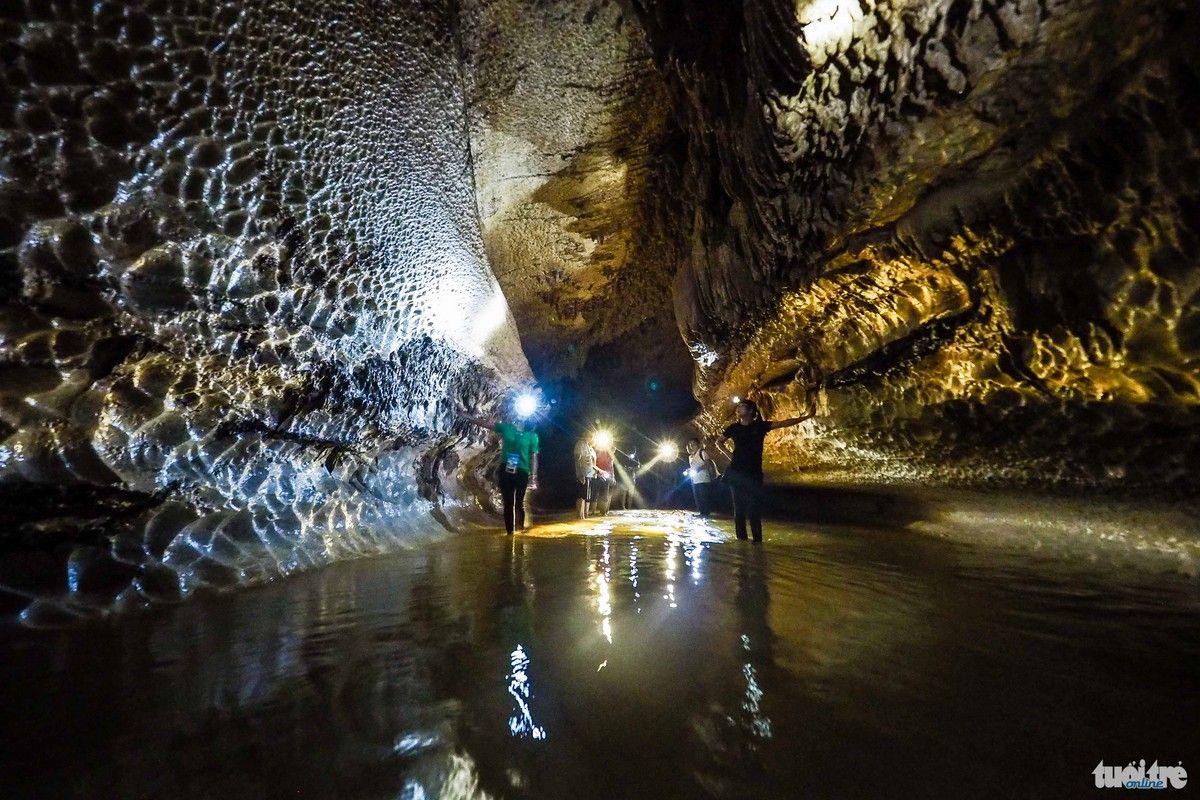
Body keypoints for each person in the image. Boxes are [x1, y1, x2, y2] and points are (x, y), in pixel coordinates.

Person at [716, 399, 813, 542]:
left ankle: (757, 542)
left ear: (750, 411)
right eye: (738, 407)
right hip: (736, 473)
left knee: (754, 508)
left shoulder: (759, 426)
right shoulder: (733, 428)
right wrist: (731, 456)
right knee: (739, 510)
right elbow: (719, 442)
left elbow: (783, 423)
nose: (738, 409)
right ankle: (742, 543)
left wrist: (806, 417)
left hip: (754, 473)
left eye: (742, 407)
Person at [465, 410, 539, 535]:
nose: (520, 418)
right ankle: (510, 532)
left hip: (522, 471)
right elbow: (486, 424)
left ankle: (520, 529)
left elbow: (534, 457)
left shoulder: (532, 436)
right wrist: (467, 417)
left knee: (519, 503)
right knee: (508, 502)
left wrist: (533, 476)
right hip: (507, 469)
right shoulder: (507, 428)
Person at [685, 438, 719, 517]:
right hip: (695, 480)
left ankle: (705, 513)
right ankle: (701, 513)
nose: (692, 446)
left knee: (704, 497)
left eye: (693, 444)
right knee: (698, 497)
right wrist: (689, 470)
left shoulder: (702, 452)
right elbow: (693, 467)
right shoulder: (691, 457)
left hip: (703, 479)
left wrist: (697, 470)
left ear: (698, 444)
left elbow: (707, 464)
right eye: (690, 445)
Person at [574, 436, 600, 519]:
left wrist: (597, 473)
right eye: (593, 438)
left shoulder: (589, 447)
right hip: (583, 473)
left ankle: (584, 515)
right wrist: (580, 474)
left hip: (589, 474)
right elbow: (577, 460)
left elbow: (592, 464)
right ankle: (579, 516)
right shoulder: (580, 444)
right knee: (581, 495)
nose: (594, 441)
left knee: (586, 496)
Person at [594, 436, 616, 514]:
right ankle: (600, 510)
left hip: (608, 475)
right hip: (600, 474)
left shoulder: (611, 456)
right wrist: (599, 472)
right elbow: (595, 463)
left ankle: (605, 510)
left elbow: (611, 466)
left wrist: (613, 476)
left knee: (607, 494)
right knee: (600, 494)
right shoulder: (599, 452)